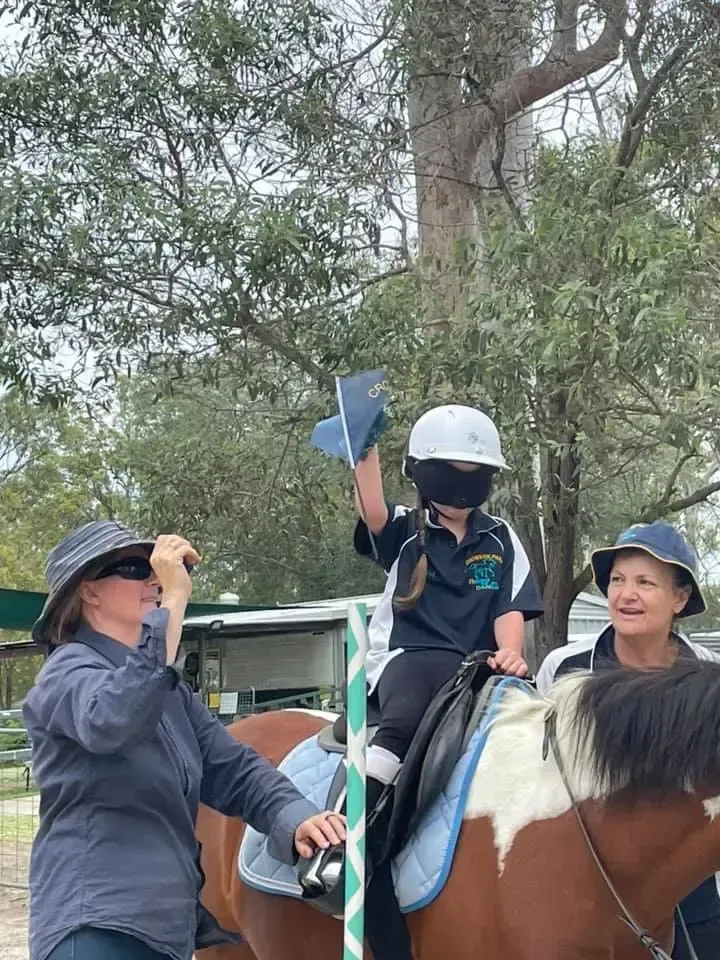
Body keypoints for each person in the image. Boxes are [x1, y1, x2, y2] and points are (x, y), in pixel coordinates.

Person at [23, 520, 345, 960]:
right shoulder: (66, 674)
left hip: (166, 932)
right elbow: (116, 718)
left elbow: (234, 770)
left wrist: (295, 816)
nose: (155, 579)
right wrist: (173, 602)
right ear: (88, 591)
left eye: (156, 568)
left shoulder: (171, 695)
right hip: (96, 926)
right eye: (137, 568)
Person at [535, 520, 720, 960]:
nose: (626, 594)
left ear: (680, 598)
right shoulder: (565, 669)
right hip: (583, 886)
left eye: (644, 582)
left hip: (687, 891)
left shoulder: (707, 676)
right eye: (617, 580)